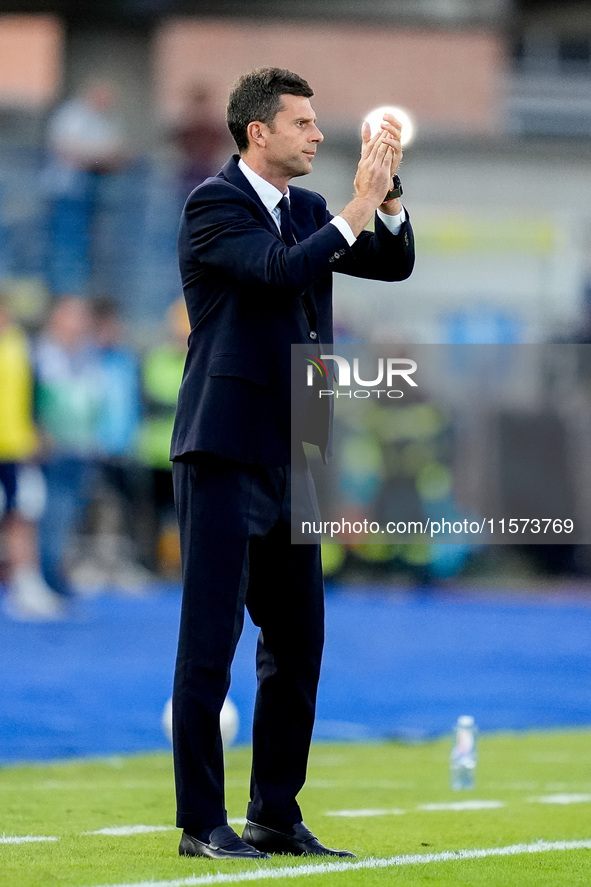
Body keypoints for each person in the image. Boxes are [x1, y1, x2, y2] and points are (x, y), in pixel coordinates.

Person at [170, 67, 414, 861]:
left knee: (299, 641)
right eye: (302, 123)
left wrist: (385, 197)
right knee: (210, 642)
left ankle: (275, 812)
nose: (317, 135)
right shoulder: (214, 205)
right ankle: (201, 822)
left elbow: (390, 263)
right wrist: (351, 208)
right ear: (257, 135)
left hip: (297, 452)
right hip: (225, 446)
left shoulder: (310, 208)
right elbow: (279, 271)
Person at [0, 297, 64, 619]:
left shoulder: (20, 345)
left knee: (22, 514)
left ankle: (25, 584)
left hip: (15, 448)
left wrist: (38, 429)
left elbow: (33, 392)